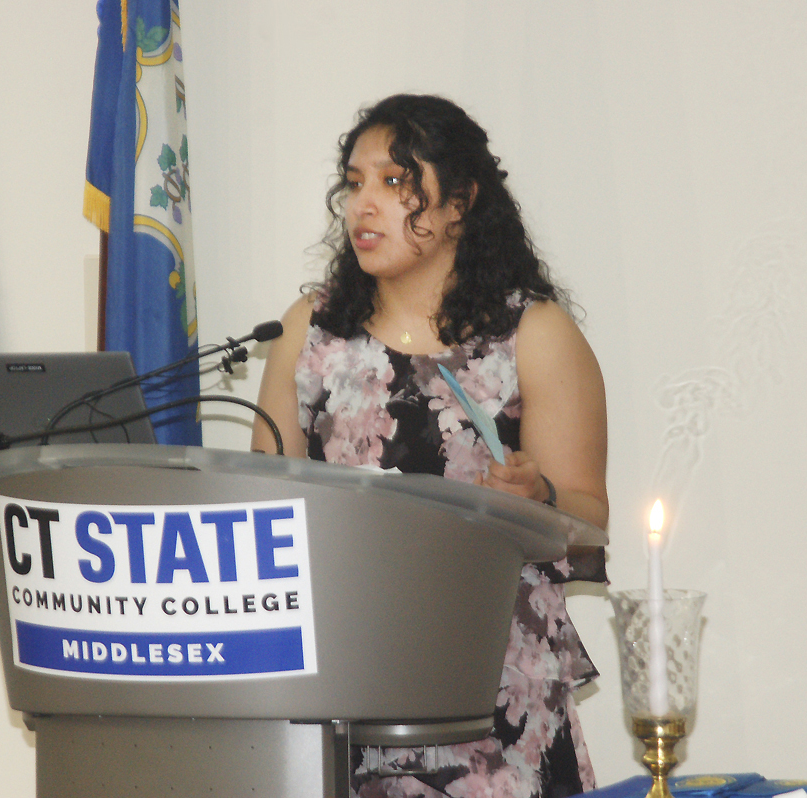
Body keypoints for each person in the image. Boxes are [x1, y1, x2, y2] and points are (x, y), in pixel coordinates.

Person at [252, 94, 608, 798]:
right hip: (341, 684)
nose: (363, 206)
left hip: (490, 684)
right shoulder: (308, 333)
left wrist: (539, 497)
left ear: (459, 204)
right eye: (354, 183)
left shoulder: (533, 336)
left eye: (394, 182)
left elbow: (590, 514)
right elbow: (261, 510)